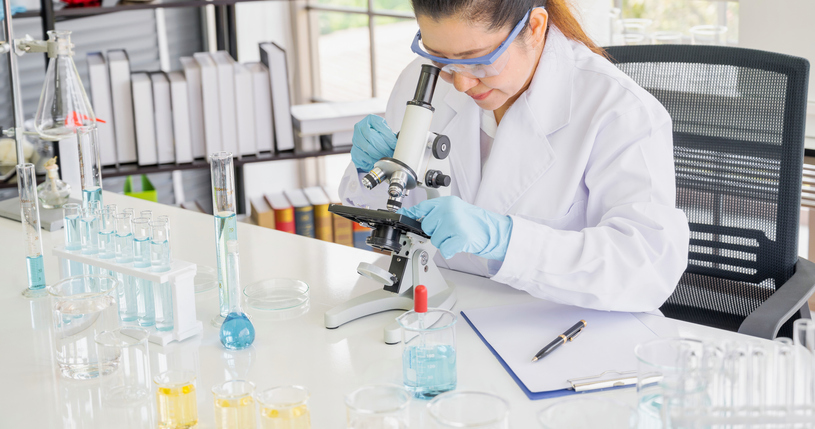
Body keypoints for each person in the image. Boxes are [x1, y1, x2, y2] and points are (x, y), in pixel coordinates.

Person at [338, 0, 690, 312]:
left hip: (561, 327)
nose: (460, 83)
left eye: (477, 60)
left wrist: (506, 239)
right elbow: (388, 208)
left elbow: (645, 270)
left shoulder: (619, 110)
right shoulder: (422, 80)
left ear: (534, 27)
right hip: (440, 311)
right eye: (440, 58)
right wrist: (370, 169)